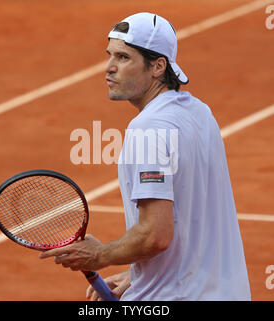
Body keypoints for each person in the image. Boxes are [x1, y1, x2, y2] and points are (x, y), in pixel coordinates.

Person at [39, 12, 251, 301]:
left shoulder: (149, 128)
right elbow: (191, 219)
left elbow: (155, 235)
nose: (109, 68)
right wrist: (139, 275)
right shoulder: (199, 113)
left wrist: (99, 255)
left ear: (157, 66)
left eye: (124, 58)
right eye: (110, 55)